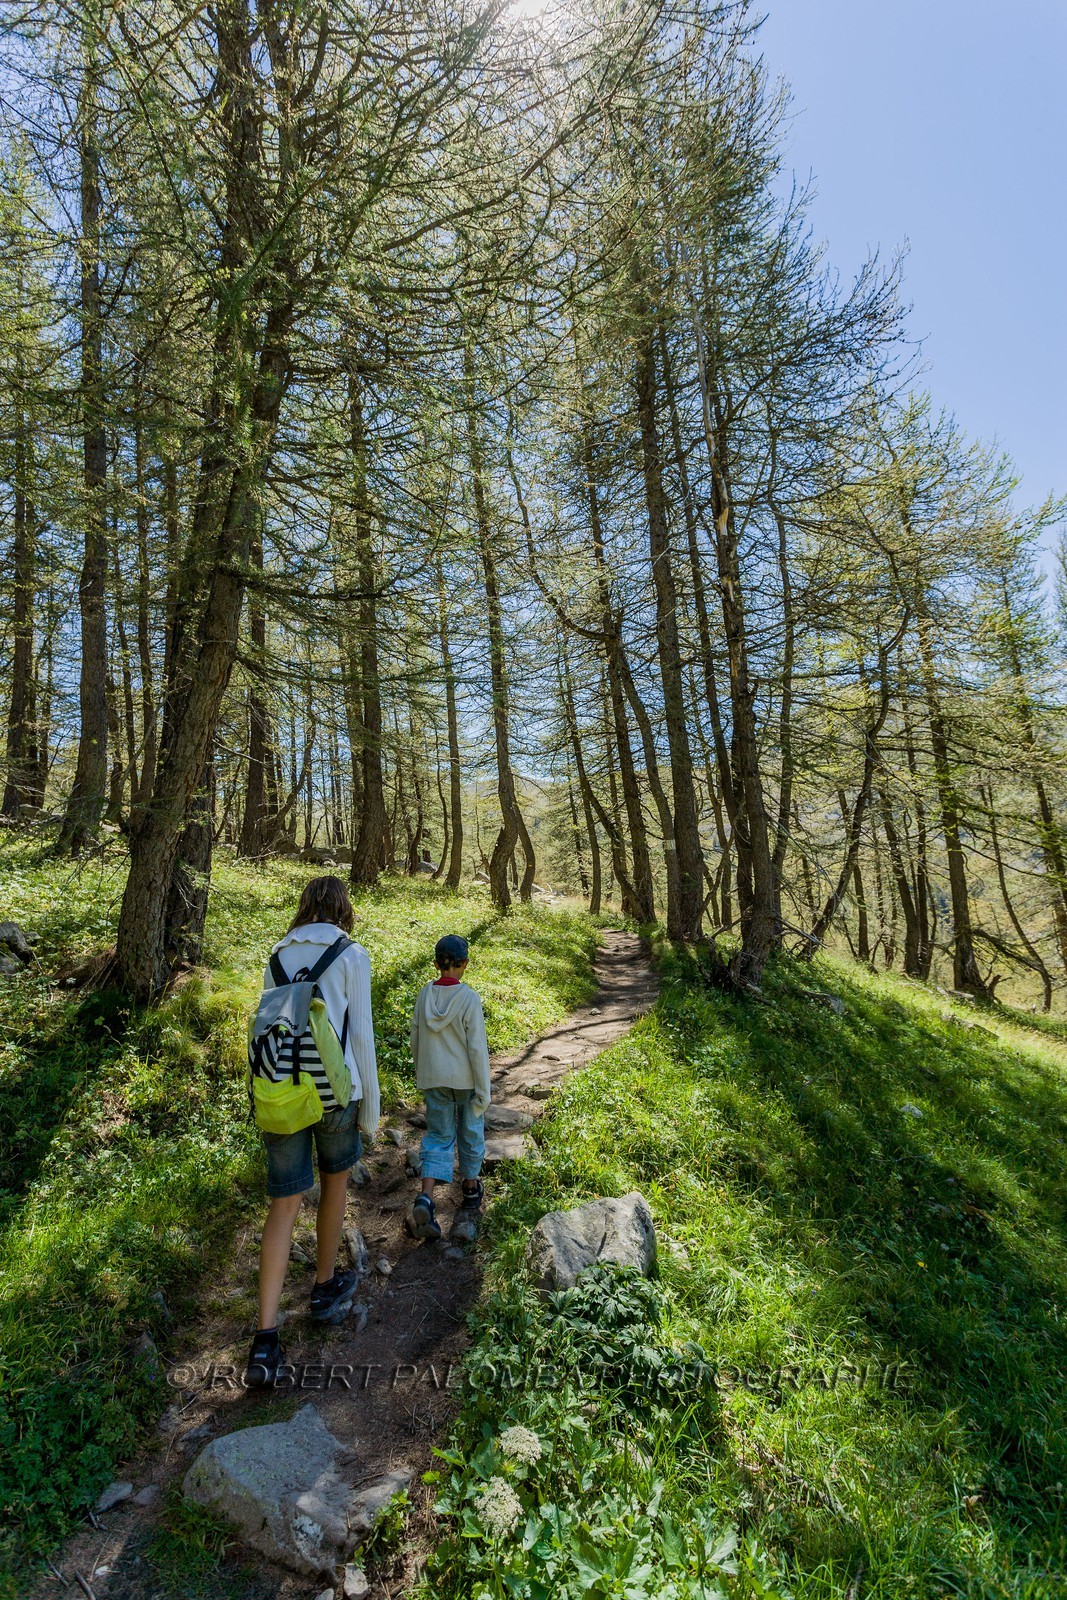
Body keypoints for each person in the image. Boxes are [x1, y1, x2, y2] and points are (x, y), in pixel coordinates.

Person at [245, 876, 380, 1387]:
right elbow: (360, 1034)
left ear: (304, 906)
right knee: (334, 1184)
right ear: (343, 907)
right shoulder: (350, 954)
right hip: (333, 1089)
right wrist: (370, 1108)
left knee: (283, 1205)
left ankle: (265, 1340)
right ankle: (324, 1286)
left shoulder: (277, 954)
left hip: (281, 1090)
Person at [406, 933, 491, 1241]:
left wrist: (423, 1070)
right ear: (464, 964)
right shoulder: (468, 998)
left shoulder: (424, 995)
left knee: (439, 1135)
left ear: (436, 964)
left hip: (434, 1077)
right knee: (470, 1129)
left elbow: (415, 1038)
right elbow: (477, 1048)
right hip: (466, 1080)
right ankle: (470, 1187)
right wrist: (484, 1089)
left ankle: (426, 1197)